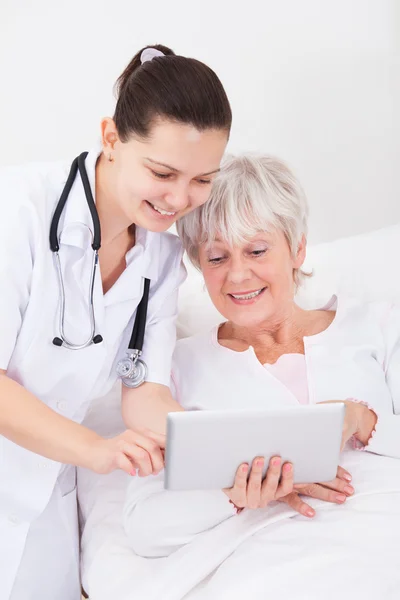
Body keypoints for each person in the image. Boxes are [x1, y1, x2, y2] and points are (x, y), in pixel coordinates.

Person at [0, 44, 231, 600]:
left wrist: (224, 451)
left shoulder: (161, 258)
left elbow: (145, 392)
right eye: (163, 172)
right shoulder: (19, 210)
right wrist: (96, 449)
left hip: (44, 494)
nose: (180, 198)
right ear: (110, 137)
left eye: (203, 180)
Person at [123, 154, 400, 598]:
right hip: (269, 569)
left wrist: (360, 420)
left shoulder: (379, 326)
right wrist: (233, 494)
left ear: (298, 248)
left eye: (256, 250)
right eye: (216, 257)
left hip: (381, 546)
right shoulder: (174, 371)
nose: (237, 274)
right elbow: (144, 527)